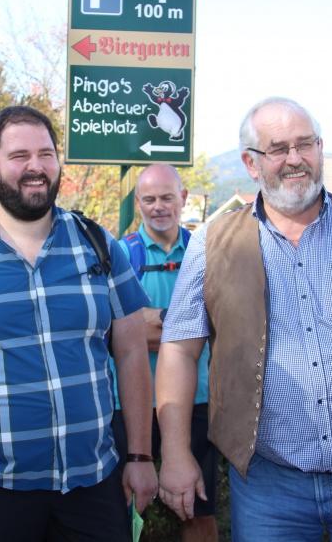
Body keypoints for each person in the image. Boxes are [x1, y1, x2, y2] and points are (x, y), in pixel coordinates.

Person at [155, 96, 332, 541]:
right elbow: (177, 349)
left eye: (305, 144)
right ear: (251, 164)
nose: (294, 159)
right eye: (278, 148)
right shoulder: (212, 243)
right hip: (269, 486)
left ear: (320, 149)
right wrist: (174, 452)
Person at [0, 105, 158, 542]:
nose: (35, 167)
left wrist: (140, 456)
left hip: (93, 484)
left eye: (46, 154)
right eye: (19, 156)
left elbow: (131, 353)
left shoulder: (99, 244)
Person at [110, 163, 217, 542]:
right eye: (150, 199)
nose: (159, 207)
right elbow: (116, 333)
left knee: (197, 509)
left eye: (168, 197)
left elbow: (220, 324)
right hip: (130, 404)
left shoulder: (205, 253)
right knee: (124, 509)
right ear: (137, 202)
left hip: (196, 400)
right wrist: (188, 324)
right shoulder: (119, 254)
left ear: (184, 199)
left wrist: (152, 321)